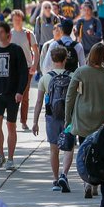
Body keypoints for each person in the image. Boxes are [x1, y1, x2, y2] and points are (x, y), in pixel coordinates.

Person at [65, 43, 104, 198]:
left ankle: (87, 181)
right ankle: (95, 183)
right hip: (101, 116)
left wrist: (68, 119)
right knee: (99, 152)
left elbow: (70, 96)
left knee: (84, 150)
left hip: (82, 116)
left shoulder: (80, 72)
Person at [0, 22, 27, 170]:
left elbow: (23, 73)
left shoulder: (16, 50)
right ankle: (0, 154)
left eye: (2, 32)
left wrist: (20, 91)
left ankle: (10, 159)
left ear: (8, 34)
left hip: (13, 94)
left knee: (11, 126)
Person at [31, 45, 74, 193]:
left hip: (51, 117)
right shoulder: (73, 76)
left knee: (53, 149)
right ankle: (64, 174)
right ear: (65, 59)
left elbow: (38, 102)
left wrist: (35, 122)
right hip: (69, 117)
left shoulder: (45, 78)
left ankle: (56, 180)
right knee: (69, 147)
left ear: (52, 59)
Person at [8, 10, 39, 132]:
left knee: (24, 95)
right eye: (15, 19)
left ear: (22, 19)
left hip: (26, 68)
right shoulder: (8, 34)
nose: (17, 21)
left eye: (19, 18)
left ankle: (23, 121)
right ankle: (12, 120)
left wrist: (34, 65)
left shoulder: (28, 34)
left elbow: (36, 52)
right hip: (12, 69)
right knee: (12, 96)